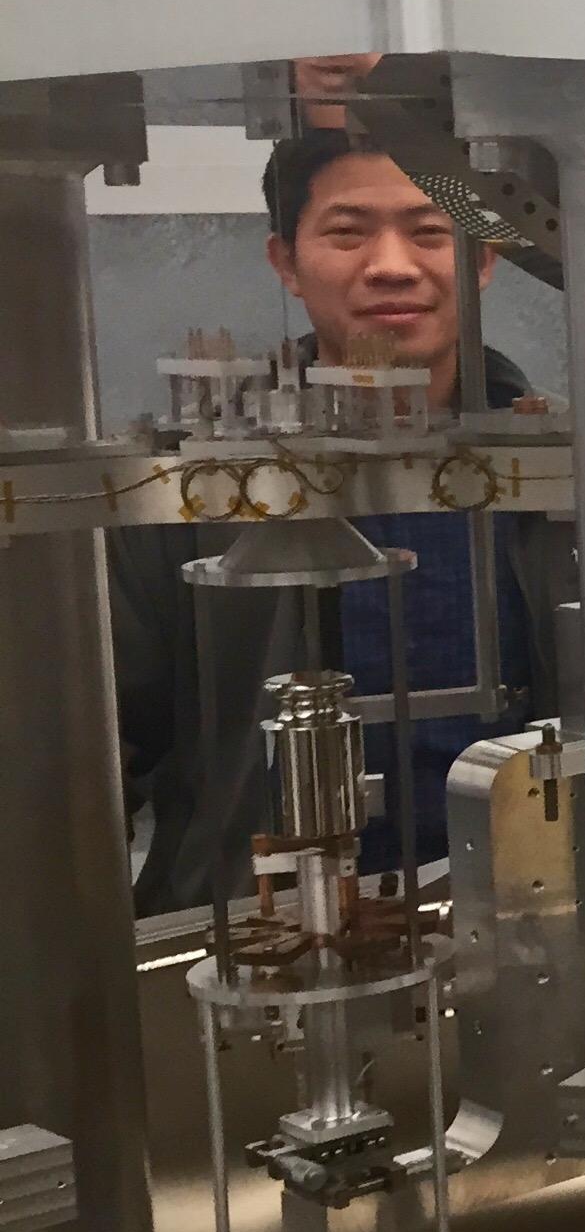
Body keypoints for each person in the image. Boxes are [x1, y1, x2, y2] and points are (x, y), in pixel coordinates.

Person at [112, 106, 555, 911]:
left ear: (483, 257)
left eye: (428, 230)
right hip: (257, 932)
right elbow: (86, 755)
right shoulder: (186, 489)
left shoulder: (558, 471)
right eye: (348, 232)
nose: (391, 266)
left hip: (524, 918)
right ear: (285, 260)